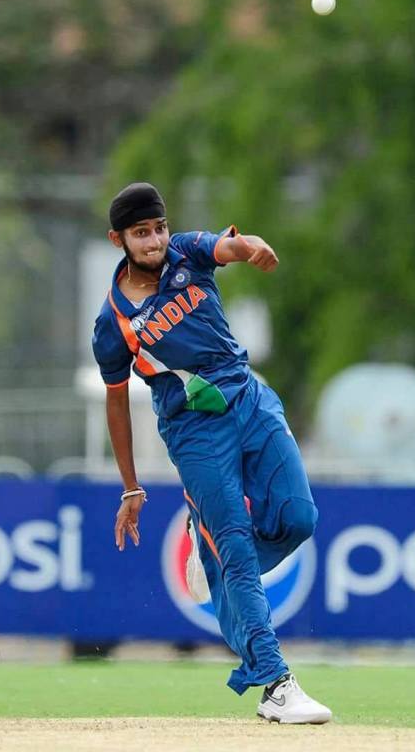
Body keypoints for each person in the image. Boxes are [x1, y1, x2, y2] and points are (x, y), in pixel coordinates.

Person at [92, 182, 332, 725]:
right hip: (196, 433)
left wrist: (253, 247)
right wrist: (131, 486)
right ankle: (275, 685)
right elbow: (116, 405)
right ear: (118, 240)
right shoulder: (114, 324)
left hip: (249, 397)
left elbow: (231, 246)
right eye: (140, 233)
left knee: (299, 519)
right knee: (238, 549)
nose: (154, 241)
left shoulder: (187, 252)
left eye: (158, 228)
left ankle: (217, 569)